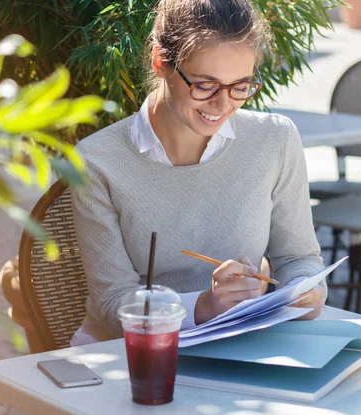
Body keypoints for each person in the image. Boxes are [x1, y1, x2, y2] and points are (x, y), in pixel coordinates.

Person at [70, 0, 327, 346]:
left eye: (241, 86)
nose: (223, 106)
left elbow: (298, 258)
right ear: (160, 62)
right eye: (205, 85)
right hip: (127, 357)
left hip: (238, 345)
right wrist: (203, 307)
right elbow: (114, 303)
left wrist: (304, 289)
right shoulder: (97, 160)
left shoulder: (275, 140)